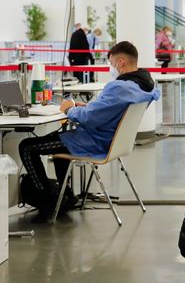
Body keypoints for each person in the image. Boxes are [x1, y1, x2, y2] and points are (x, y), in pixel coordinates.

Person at [19, 41, 159, 222]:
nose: (111, 68)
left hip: (93, 141)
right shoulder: (144, 85)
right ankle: (65, 195)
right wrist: (88, 107)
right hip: (112, 141)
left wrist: (70, 109)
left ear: (121, 63)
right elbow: (106, 111)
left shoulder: (120, 87)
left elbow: (90, 118)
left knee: (27, 147)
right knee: (59, 150)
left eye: (111, 64)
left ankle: (47, 198)